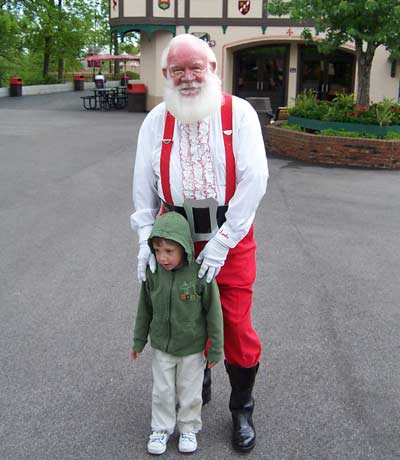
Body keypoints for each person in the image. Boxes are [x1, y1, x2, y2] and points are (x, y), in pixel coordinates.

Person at [130, 33, 269, 452]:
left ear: (213, 69)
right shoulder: (156, 120)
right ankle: (199, 381)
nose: (188, 77)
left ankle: (241, 407)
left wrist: (224, 242)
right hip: (175, 240)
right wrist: (144, 240)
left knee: (236, 324)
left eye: (196, 67)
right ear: (167, 74)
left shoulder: (238, 113)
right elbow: (143, 188)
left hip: (231, 237)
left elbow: (255, 179)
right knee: (184, 316)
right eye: (178, 69)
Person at [131, 211, 223, 455]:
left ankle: (188, 427)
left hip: (192, 348)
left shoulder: (200, 274)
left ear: (184, 246)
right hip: (162, 346)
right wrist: (139, 340)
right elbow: (144, 308)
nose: (162, 257)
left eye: (169, 251)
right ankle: (161, 428)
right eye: (158, 250)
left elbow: (214, 313)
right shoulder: (153, 274)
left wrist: (216, 347)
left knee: (190, 391)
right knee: (162, 391)